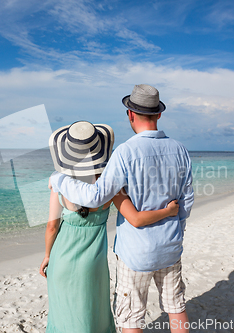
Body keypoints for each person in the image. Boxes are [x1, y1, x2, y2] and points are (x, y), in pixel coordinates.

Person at [50, 84, 194, 332]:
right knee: (176, 307)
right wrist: (175, 229)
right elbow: (187, 200)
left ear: (130, 114)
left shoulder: (125, 152)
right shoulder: (180, 149)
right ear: (159, 114)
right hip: (171, 245)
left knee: (130, 316)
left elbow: (95, 196)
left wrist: (59, 180)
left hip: (136, 251)